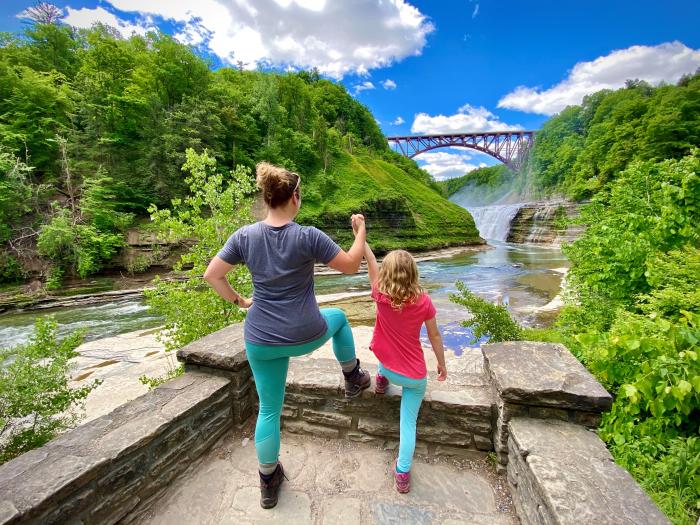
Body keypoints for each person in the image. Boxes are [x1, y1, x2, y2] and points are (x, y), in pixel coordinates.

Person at [203, 162, 371, 509]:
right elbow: (352, 265)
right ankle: (352, 376)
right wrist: (360, 231)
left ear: (267, 198)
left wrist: (241, 301)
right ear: (294, 198)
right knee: (338, 318)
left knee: (268, 409)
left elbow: (212, 275)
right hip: (305, 333)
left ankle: (267, 482)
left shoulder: (244, 236)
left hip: (261, 338)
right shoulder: (307, 235)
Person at [360, 238, 448, 493]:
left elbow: (370, 261)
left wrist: (361, 236)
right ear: (413, 274)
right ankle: (402, 474)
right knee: (407, 425)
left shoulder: (379, 293)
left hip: (387, 366)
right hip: (414, 376)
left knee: (382, 353)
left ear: (386, 273)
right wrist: (441, 364)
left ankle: (381, 381)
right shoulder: (424, 301)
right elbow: (434, 336)